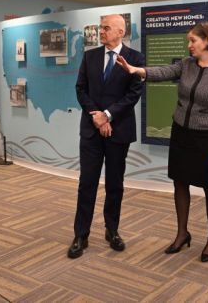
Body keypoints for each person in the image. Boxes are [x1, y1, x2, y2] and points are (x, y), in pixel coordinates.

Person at [117, 22, 208, 262]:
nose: (189, 45)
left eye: (193, 40)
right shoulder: (186, 64)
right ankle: (182, 233)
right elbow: (163, 72)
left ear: (207, 41)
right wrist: (136, 70)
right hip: (181, 132)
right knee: (180, 183)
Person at [68, 14, 144, 259]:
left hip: (118, 130)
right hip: (91, 130)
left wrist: (108, 115)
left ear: (121, 32)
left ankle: (112, 230)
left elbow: (133, 94)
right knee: (87, 183)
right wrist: (97, 116)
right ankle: (81, 234)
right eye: (101, 28)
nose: (101, 31)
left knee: (115, 184)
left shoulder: (135, 59)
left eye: (106, 28)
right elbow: (81, 89)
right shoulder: (90, 56)